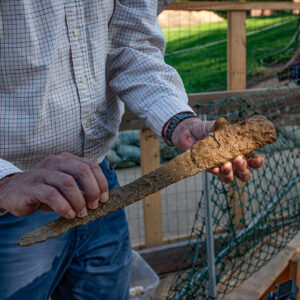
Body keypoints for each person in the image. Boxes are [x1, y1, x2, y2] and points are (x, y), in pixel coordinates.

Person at [0, 1, 264, 299]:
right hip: (13, 206)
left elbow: (131, 46)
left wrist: (179, 121)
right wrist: (7, 180)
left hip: (99, 186)